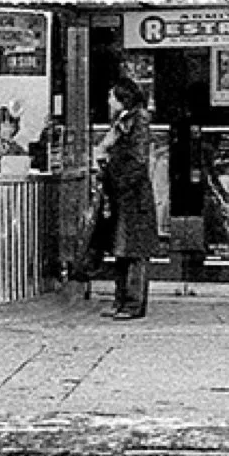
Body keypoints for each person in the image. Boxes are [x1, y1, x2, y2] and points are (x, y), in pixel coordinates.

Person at [89, 76, 160, 319]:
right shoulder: (122, 121)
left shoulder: (137, 121)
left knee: (133, 252)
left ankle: (132, 303)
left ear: (123, 99)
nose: (108, 100)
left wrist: (113, 173)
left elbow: (137, 160)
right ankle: (121, 300)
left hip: (133, 196)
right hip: (123, 195)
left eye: (112, 96)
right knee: (121, 250)